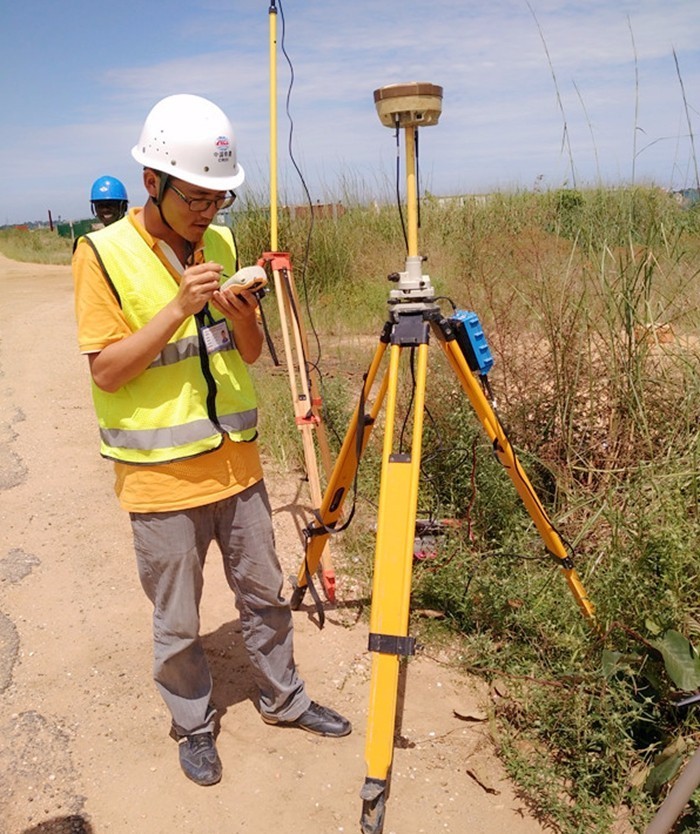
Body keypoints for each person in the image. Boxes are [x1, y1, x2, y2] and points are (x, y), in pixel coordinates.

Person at [71, 93, 351, 787]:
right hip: (160, 479)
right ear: (152, 184)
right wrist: (177, 308)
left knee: (265, 593)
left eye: (219, 199)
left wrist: (241, 312)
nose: (208, 212)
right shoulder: (101, 255)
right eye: (195, 197)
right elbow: (107, 372)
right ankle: (192, 723)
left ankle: (284, 699)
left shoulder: (221, 243)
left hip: (239, 465)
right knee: (177, 618)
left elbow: (248, 352)